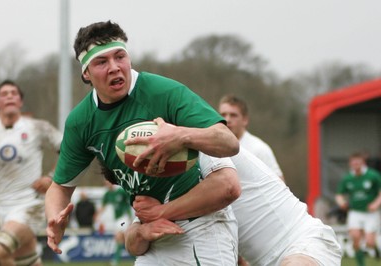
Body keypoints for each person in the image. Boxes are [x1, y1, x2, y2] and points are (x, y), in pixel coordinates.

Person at [44, 20, 241, 265]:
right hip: (151, 232)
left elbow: (228, 142)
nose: (115, 67)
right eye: (102, 62)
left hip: (202, 227)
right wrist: (54, 218)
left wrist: (180, 135)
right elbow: (61, 186)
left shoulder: (162, 91)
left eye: (120, 57)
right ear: (86, 73)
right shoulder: (81, 121)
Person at [126, 148, 343, 266]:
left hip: (303, 242)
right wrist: (144, 230)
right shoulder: (168, 178)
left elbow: (228, 189)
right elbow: (134, 242)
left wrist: (161, 212)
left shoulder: (209, 151)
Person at [0, 80, 62, 265]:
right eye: (4, 94)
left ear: (20, 101)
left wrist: (52, 177)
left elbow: (69, 151)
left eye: (13, 93)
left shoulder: (38, 127)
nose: (9, 96)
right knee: (27, 261)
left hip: (31, 205)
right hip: (2, 208)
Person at [219, 94, 284, 181]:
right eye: (223, 115)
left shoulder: (259, 149)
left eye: (233, 115)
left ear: (245, 120)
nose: (227, 119)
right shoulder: (213, 147)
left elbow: (279, 184)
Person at [335, 152, 381, 266]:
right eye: (353, 162)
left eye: (358, 162)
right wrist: (342, 203)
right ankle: (361, 265)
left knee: (369, 242)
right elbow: (339, 194)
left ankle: (375, 249)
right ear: (350, 164)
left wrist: (376, 204)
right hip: (355, 212)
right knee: (355, 239)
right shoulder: (348, 178)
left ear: (363, 163)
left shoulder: (373, 175)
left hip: (371, 213)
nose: (355, 164)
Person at [94, 180, 133, 266]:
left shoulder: (121, 191)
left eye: (108, 182)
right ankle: (135, 258)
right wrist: (97, 216)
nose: (107, 184)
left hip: (124, 218)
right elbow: (103, 206)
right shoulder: (107, 194)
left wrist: (130, 218)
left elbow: (128, 204)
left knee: (118, 237)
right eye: (105, 183)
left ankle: (115, 261)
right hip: (117, 220)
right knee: (123, 240)